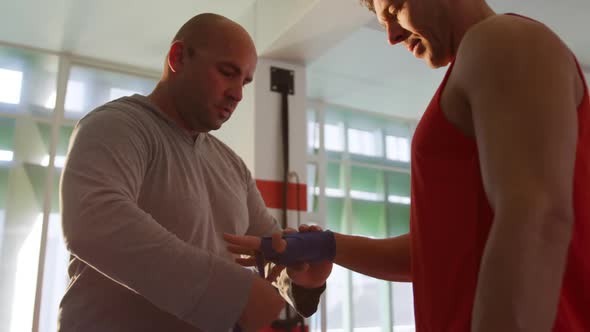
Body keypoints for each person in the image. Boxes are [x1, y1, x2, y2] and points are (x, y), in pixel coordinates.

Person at [224, 0, 590, 331]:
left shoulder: (503, 39)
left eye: (396, 8)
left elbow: (537, 219)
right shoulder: (485, 57)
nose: (392, 36)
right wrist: (328, 245)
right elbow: (438, 254)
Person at [59, 13, 331, 332]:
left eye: (244, 81)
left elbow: (266, 253)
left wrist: (300, 278)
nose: (237, 94)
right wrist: (232, 293)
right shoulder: (116, 125)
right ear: (177, 57)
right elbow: (94, 221)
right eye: (227, 72)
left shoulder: (231, 165)